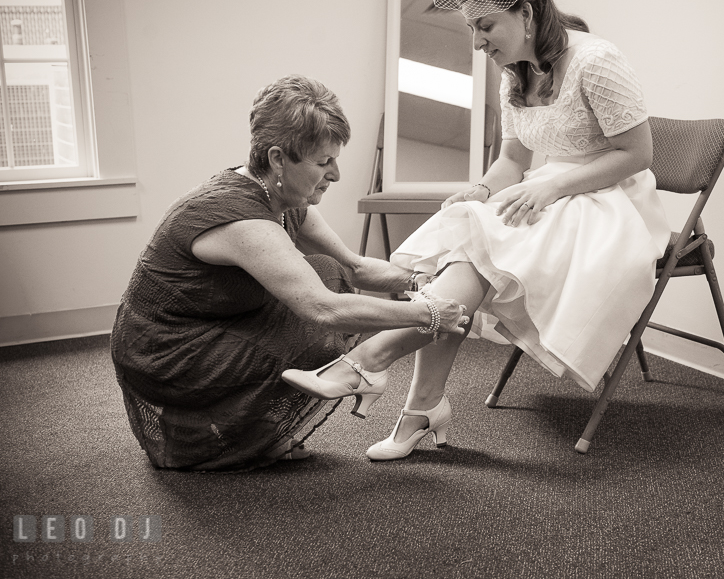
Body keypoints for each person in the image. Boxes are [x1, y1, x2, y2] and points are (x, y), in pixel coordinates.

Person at [282, 0, 671, 461]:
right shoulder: (514, 70)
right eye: (471, 28)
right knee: (469, 240)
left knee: (479, 252)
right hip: (547, 193)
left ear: (527, 13)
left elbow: (638, 153)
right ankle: (411, 397)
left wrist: (551, 186)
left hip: (610, 201)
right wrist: (483, 189)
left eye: (485, 26)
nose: (477, 42)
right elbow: (512, 162)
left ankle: (378, 365)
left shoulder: (596, 60)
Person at [111, 74, 469, 472]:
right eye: (323, 162)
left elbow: (357, 267)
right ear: (278, 158)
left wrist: (422, 281)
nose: (336, 174)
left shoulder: (280, 195)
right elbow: (323, 310)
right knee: (321, 298)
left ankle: (253, 430)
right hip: (166, 351)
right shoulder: (242, 220)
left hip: (213, 323)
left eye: (335, 159)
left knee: (330, 270)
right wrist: (430, 314)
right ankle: (218, 436)